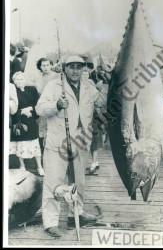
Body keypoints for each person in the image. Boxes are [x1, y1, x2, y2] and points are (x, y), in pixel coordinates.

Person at [36, 55, 105, 238]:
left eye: (79, 67)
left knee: (79, 181)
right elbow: (40, 108)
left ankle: (78, 211)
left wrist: (106, 84)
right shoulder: (53, 85)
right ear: (65, 68)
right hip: (57, 142)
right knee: (53, 182)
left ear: (83, 69)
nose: (75, 70)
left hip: (81, 140)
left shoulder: (89, 85)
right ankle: (50, 222)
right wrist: (56, 105)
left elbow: (102, 104)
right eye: (72, 67)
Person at [10, 72, 44, 175]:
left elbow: (37, 103)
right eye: (17, 79)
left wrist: (30, 109)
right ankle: (22, 166)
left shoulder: (32, 89)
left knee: (34, 142)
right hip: (19, 120)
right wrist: (22, 112)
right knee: (20, 144)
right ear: (14, 81)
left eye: (21, 79)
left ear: (25, 80)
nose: (19, 81)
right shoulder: (13, 91)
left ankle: (39, 167)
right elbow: (11, 105)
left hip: (31, 119)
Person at [35, 58, 60, 154]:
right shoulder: (38, 78)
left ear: (51, 65)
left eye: (47, 65)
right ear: (40, 67)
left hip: (54, 105)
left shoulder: (57, 76)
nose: (46, 67)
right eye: (43, 65)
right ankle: (43, 154)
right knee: (42, 130)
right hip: (43, 106)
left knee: (54, 129)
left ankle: (56, 153)